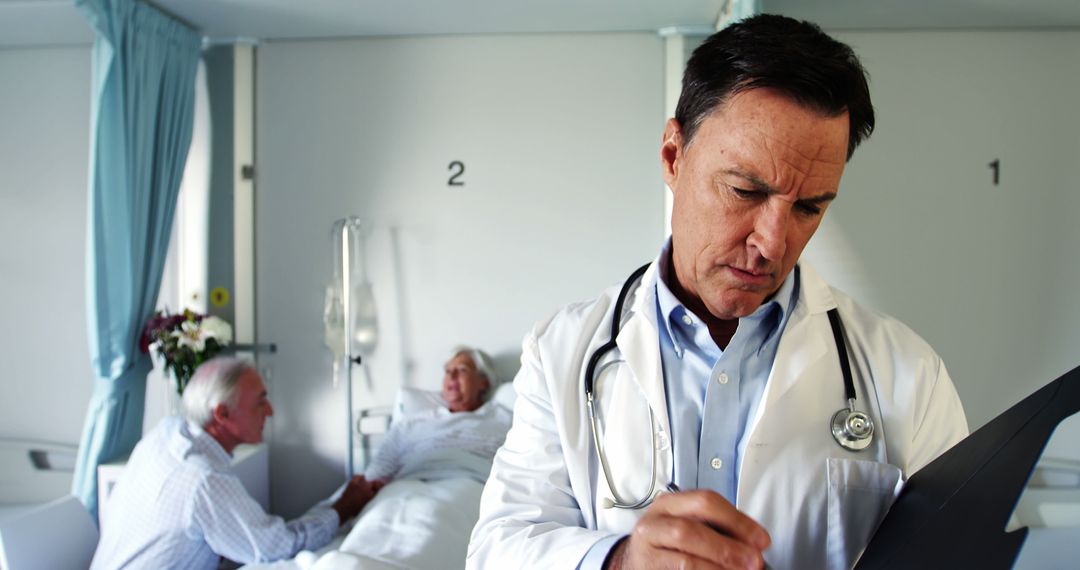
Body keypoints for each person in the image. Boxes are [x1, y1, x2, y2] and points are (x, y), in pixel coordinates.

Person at [468, 14, 968, 570]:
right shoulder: (561, 350)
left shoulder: (909, 374)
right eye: (745, 189)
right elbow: (498, 548)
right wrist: (622, 561)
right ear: (673, 157)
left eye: (809, 207)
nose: (772, 243)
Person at [90, 357, 383, 569]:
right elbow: (275, 546)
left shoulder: (165, 434)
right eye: (260, 401)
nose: (270, 411)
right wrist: (343, 508)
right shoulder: (204, 480)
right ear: (222, 415)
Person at [363, 346, 512, 483]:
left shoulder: (505, 421)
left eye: (462, 370)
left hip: (471, 487)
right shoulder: (411, 424)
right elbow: (373, 476)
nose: (452, 376)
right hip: (406, 486)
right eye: (447, 371)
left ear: (483, 382)